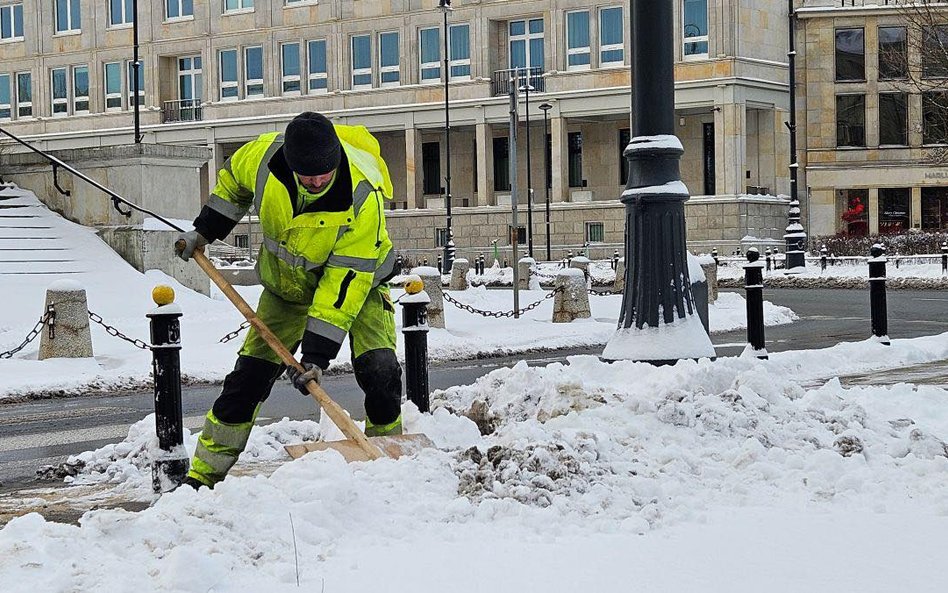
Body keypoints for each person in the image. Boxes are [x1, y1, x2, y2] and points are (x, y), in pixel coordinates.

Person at [175, 112, 401, 489]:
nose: (315, 182)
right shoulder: (263, 158)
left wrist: (315, 357)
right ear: (292, 164)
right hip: (286, 291)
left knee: (379, 369)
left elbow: (340, 289)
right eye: (307, 176)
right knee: (247, 380)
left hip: (358, 286)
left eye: (323, 175)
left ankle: (389, 456)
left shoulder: (363, 198)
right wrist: (205, 231)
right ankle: (202, 478)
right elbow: (232, 185)